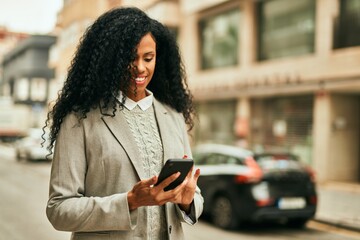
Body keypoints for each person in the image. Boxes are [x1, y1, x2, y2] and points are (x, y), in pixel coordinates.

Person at [44, 7, 203, 240]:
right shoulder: (79, 120)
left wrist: (188, 201)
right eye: (130, 58)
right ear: (110, 61)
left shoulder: (173, 116)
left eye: (148, 58)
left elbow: (195, 197)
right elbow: (59, 210)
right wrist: (129, 201)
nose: (140, 67)